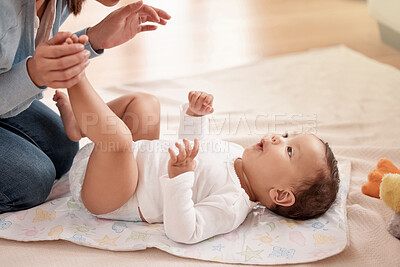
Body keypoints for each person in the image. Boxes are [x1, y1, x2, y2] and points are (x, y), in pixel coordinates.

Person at [55, 37, 340, 244]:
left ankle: (72, 73)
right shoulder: (234, 154)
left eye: (289, 150)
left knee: (119, 140)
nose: (279, 137)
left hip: (113, 195)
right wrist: (195, 116)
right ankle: (80, 127)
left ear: (280, 194)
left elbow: (185, 232)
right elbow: (193, 144)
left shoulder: (231, 205)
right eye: (288, 136)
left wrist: (179, 179)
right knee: (145, 104)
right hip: (120, 161)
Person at [0, 0, 170, 214]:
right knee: (31, 180)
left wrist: (94, 38)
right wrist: (35, 73)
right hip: (129, 196)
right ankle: (79, 123)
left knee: (64, 148)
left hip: (129, 191)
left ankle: (78, 125)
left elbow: (19, 58)